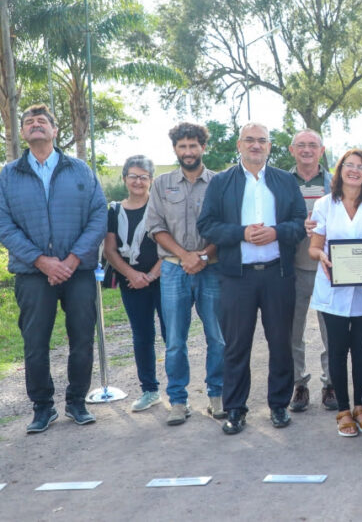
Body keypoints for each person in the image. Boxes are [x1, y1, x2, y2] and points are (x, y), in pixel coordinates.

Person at [0, 103, 107, 434]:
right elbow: (1, 223)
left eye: (42, 121)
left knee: (81, 339)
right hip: (32, 273)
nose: (35, 124)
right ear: (23, 132)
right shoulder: (9, 175)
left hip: (77, 272)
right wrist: (41, 260)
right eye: (29, 122)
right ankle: (43, 407)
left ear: (55, 131)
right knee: (35, 343)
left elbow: (98, 215)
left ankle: (77, 402)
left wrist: (72, 259)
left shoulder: (80, 170)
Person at [197, 122, 308, 435]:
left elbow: (299, 222)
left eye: (262, 140)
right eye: (249, 140)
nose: (256, 145)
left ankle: (278, 405)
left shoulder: (285, 181)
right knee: (236, 345)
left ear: (269, 146)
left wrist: (276, 232)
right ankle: (235, 409)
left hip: (277, 274)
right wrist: (241, 233)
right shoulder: (221, 182)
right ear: (239, 145)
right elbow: (207, 225)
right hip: (237, 277)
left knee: (281, 343)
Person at [308, 149, 362, 437]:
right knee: (336, 351)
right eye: (349, 165)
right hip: (332, 291)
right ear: (340, 170)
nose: (354, 170)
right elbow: (314, 248)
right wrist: (322, 256)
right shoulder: (324, 204)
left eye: (361, 166)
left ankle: (360, 407)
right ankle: (343, 410)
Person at [146, 122, 226, 425]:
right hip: (173, 269)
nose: (188, 151)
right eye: (183, 146)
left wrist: (203, 255)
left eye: (194, 146)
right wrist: (186, 256)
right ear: (175, 149)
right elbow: (156, 227)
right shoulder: (161, 183)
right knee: (175, 340)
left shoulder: (219, 182)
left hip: (212, 268)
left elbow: (226, 227)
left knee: (217, 337)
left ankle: (217, 395)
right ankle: (178, 401)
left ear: (203, 147)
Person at [103, 156, 166, 412]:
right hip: (131, 283)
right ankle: (150, 390)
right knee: (142, 336)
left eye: (143, 177)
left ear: (151, 180)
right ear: (124, 179)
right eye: (133, 176)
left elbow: (171, 245)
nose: (138, 181)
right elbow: (109, 250)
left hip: (163, 279)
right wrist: (132, 275)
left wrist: (150, 276)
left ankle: (178, 392)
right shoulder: (114, 211)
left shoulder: (160, 207)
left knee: (172, 335)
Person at [287, 128, 336, 412]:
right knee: (294, 331)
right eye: (301, 145)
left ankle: (330, 382)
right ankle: (299, 384)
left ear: (321, 150)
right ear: (292, 150)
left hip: (327, 267)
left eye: (312, 145)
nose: (307, 150)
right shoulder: (281, 182)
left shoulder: (335, 182)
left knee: (331, 331)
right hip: (294, 266)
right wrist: (297, 226)